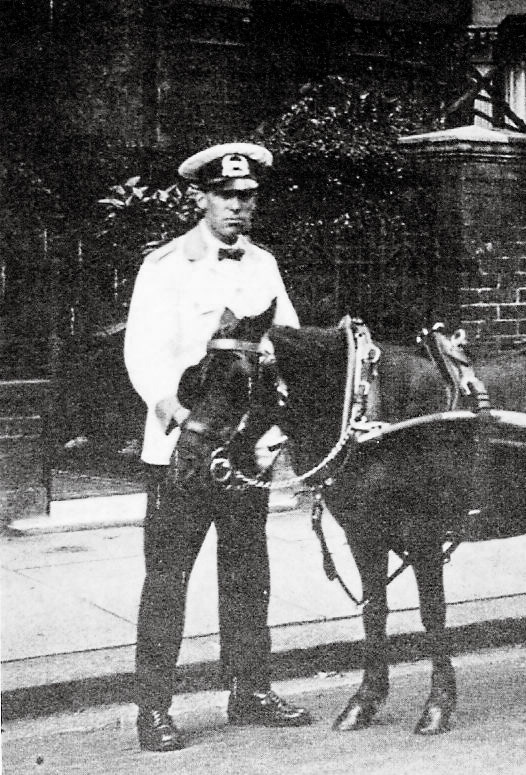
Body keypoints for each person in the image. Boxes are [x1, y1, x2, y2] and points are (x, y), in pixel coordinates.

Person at [123, 142, 310, 752]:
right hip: (185, 447)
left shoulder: (264, 265)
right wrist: (174, 412)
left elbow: (288, 344)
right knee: (168, 578)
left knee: (247, 571)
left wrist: (274, 425)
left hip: (245, 448)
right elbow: (143, 353)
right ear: (200, 198)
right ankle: (154, 707)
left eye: (247, 197)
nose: (237, 207)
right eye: (225, 196)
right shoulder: (167, 266)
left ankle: (250, 690)